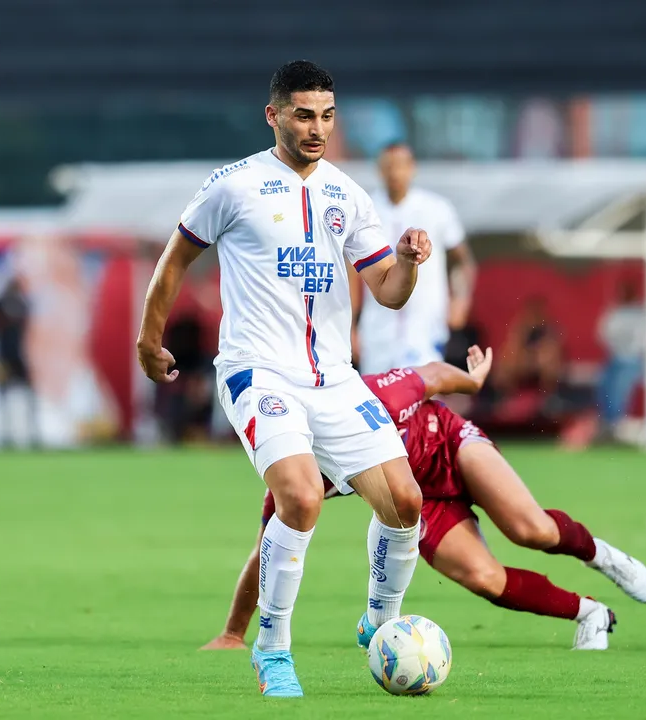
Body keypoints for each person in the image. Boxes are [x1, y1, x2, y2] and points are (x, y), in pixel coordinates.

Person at [136, 60, 433, 698]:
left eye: (326, 115)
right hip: (257, 371)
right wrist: (148, 337)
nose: (316, 127)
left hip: (333, 379)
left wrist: (406, 264)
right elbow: (174, 260)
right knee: (299, 498)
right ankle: (271, 648)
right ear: (274, 115)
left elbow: (388, 292)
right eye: (303, 114)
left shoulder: (348, 196)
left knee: (406, 503)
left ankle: (381, 618)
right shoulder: (233, 185)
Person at [202, 347, 646, 653]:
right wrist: (232, 632)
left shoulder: (377, 395)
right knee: (485, 579)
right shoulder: (298, 467)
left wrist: (474, 384)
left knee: (529, 529)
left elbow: (434, 376)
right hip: (419, 501)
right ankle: (593, 613)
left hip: (450, 445)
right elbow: (268, 549)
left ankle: (602, 555)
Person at [353, 142, 476, 374]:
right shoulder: (365, 209)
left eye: (400, 165)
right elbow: (351, 269)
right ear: (379, 170)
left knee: (423, 396)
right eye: (388, 166)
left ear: (412, 168)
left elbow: (461, 260)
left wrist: (460, 299)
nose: (395, 172)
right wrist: (350, 326)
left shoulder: (437, 208)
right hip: (377, 329)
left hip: (425, 325)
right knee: (377, 401)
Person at [0, 276, 38, 448]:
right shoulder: (5, 305)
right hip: (7, 361)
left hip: (16, 360)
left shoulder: (19, 305)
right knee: (5, 400)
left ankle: (27, 435)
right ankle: (8, 436)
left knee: (23, 400)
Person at [595, 280, 646, 438]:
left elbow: (644, 340)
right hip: (615, 359)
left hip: (633, 361)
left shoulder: (641, 313)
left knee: (619, 387)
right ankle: (608, 423)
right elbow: (602, 334)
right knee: (603, 383)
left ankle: (617, 426)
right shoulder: (614, 312)